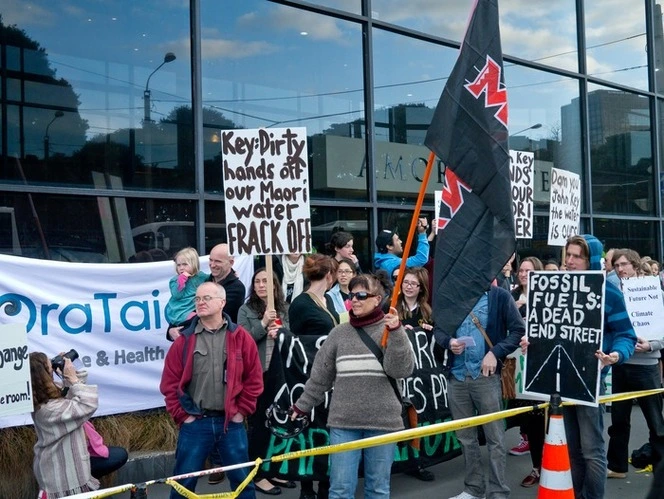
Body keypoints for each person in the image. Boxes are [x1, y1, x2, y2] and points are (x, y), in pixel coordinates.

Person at [291, 272, 415, 499]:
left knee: (378, 490)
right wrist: (301, 406)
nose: (354, 300)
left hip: (383, 423)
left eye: (361, 295)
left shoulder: (391, 330)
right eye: (351, 295)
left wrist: (396, 333)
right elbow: (320, 376)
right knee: (340, 490)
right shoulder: (338, 334)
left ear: (377, 299)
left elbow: (401, 371)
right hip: (344, 423)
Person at [546, 235, 636, 499]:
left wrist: (615, 355)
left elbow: (625, 334)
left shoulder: (609, 292)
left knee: (592, 451)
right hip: (560, 382)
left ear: (591, 260)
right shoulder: (555, 288)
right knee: (571, 449)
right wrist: (534, 341)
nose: (570, 261)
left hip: (590, 382)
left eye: (577, 256)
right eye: (568, 255)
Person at [160, 281, 263, 499]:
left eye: (206, 298)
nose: (200, 302)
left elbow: (254, 379)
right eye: (197, 299)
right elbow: (169, 384)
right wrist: (184, 417)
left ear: (222, 302)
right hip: (195, 425)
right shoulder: (184, 341)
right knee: (182, 485)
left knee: (243, 483)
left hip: (231, 424)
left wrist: (240, 413)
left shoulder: (241, 337)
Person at [434, 284, 525, 499]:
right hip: (457, 376)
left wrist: (495, 352)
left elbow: (518, 330)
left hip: (486, 378)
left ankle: (498, 491)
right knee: (466, 437)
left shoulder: (500, 297)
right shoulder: (452, 295)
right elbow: (439, 329)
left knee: (495, 438)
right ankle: (473, 488)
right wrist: (450, 342)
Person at [30, 352, 127, 498]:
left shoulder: (43, 398)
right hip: (62, 474)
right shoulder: (49, 410)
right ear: (43, 376)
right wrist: (74, 380)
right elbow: (86, 403)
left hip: (65, 465)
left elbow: (69, 393)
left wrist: (68, 374)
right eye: (50, 367)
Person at [606, 248, 664, 480]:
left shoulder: (654, 292)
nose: (620, 269)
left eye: (624, 265)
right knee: (619, 420)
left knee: (655, 423)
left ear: (635, 264)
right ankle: (618, 467)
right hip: (622, 363)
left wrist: (650, 345)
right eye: (616, 265)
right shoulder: (613, 292)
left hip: (647, 365)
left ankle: (660, 469)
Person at [239, 268, 295, 495]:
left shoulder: (284, 308)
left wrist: (281, 331)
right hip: (257, 373)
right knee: (258, 424)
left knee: (277, 423)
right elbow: (244, 341)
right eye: (257, 281)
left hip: (280, 372)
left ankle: (272, 469)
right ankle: (257, 474)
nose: (261, 285)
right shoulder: (246, 309)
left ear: (274, 285)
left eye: (266, 281)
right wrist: (262, 323)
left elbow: (291, 337)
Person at [288, 254, 339, 499]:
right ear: (329, 275)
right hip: (308, 376)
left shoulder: (327, 299)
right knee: (309, 431)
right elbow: (296, 343)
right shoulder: (301, 303)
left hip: (331, 377)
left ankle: (326, 484)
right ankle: (307, 486)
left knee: (327, 430)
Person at [394, 266, 436, 482]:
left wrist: (430, 333)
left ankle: (417, 462)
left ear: (421, 288)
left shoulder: (428, 311)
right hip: (398, 372)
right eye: (406, 282)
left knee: (417, 416)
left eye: (414, 284)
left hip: (420, 375)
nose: (409, 287)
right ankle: (398, 459)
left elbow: (435, 345)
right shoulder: (392, 308)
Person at [508, 257, 546, 488]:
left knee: (548, 421)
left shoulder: (545, 297)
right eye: (521, 270)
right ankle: (537, 467)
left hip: (542, 366)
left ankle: (555, 465)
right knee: (530, 421)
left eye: (528, 270)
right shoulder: (510, 296)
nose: (523, 274)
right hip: (519, 368)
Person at [165, 247, 209, 327]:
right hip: (180, 311)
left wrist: (231, 274)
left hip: (194, 309)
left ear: (194, 264)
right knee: (199, 320)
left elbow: (213, 278)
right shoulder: (174, 280)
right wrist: (181, 280)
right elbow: (177, 295)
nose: (181, 268)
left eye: (185, 264)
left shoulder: (200, 276)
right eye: (179, 265)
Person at [326, 257, 355, 323]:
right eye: (340, 271)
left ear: (353, 274)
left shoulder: (359, 293)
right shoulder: (329, 296)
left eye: (347, 271)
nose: (343, 275)